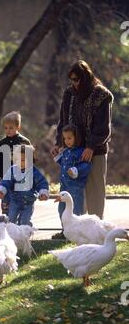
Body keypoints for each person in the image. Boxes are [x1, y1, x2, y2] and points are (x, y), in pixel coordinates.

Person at [51, 60, 113, 238]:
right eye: (71, 79)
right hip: (72, 150)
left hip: (95, 151)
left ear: (85, 77)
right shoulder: (69, 93)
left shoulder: (102, 95)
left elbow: (104, 128)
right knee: (71, 192)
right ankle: (70, 231)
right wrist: (59, 143)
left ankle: (97, 232)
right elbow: (63, 121)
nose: (74, 83)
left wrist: (91, 147)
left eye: (77, 79)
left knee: (94, 193)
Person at [0, 145, 49, 226]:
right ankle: (12, 235)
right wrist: (2, 190)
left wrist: (43, 193)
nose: (20, 162)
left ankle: (25, 231)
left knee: (24, 221)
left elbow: (41, 183)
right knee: (11, 219)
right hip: (15, 200)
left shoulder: (34, 172)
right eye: (17, 160)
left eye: (23, 160)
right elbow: (6, 181)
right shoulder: (13, 170)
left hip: (28, 202)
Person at [0, 111, 31, 214]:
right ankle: (6, 221)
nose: (8, 130)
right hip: (5, 177)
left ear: (18, 127)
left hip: (20, 177)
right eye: (6, 128)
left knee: (19, 200)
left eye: (11, 128)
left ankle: (19, 222)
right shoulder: (1, 144)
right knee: (6, 201)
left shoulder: (24, 142)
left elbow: (29, 161)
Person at [55, 124, 91, 218]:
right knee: (61, 210)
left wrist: (75, 170)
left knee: (75, 212)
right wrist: (57, 157)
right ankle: (65, 231)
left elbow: (86, 166)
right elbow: (64, 165)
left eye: (69, 138)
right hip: (64, 187)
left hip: (75, 189)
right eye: (65, 138)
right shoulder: (66, 151)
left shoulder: (81, 152)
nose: (67, 141)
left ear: (76, 137)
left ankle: (77, 231)